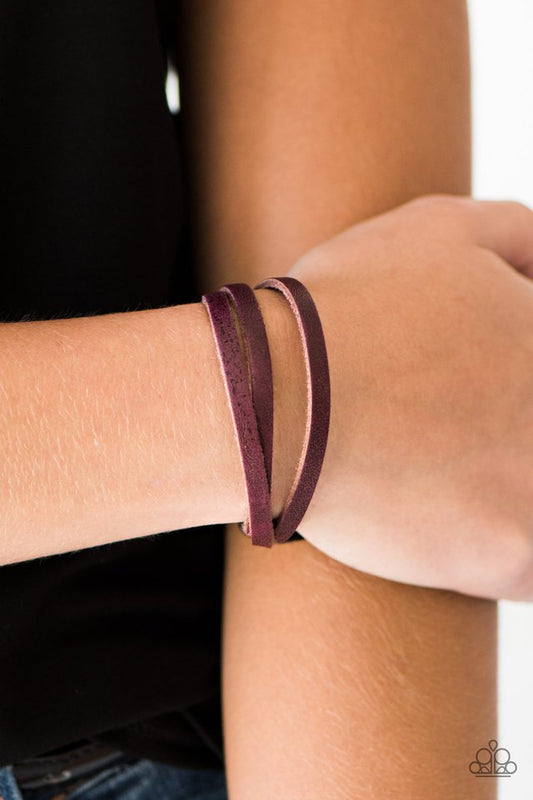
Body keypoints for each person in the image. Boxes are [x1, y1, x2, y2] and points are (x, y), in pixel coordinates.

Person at [0, 1, 531, 798]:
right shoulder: (311, 399)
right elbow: (374, 407)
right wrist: (288, 391)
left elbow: (387, 367)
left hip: (167, 739)